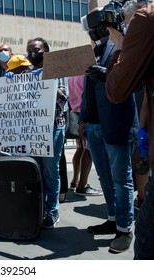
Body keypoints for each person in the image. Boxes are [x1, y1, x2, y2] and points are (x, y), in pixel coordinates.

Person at [79, 34, 138, 253]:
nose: (93, 31)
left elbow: (133, 80)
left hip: (115, 123)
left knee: (121, 179)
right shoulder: (92, 51)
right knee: (105, 176)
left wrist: (107, 74)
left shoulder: (123, 45)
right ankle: (113, 219)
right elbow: (87, 88)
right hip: (94, 124)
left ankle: (125, 229)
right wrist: (84, 118)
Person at [105, 0, 154, 259]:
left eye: (125, 23)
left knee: (146, 245)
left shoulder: (144, 19)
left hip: (124, 130)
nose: (125, 28)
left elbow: (116, 88)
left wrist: (121, 47)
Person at [26, 38, 68, 228]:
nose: (32, 54)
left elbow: (64, 99)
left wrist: (48, 83)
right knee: (36, 171)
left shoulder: (57, 71)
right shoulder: (27, 73)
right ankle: (38, 208)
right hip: (33, 129)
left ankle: (52, 210)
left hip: (53, 128)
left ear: (46, 51)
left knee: (50, 171)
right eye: (29, 51)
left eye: (35, 50)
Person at [66, 75, 94, 197]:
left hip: (75, 113)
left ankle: (74, 181)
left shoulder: (71, 76)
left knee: (81, 148)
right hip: (85, 114)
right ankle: (82, 184)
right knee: (88, 150)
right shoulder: (85, 75)